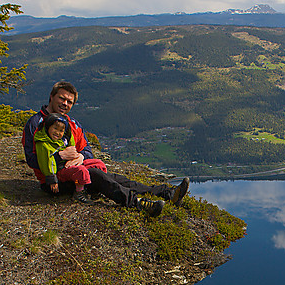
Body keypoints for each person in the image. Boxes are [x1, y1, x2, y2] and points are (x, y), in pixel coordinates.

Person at [22, 81, 189, 213]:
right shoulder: (36, 124)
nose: (65, 103)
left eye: (69, 101)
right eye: (62, 98)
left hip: (77, 174)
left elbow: (86, 149)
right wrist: (60, 157)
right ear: (51, 97)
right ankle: (138, 204)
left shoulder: (72, 125)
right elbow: (31, 159)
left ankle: (167, 193)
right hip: (54, 182)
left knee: (115, 177)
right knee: (95, 174)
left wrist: (81, 156)